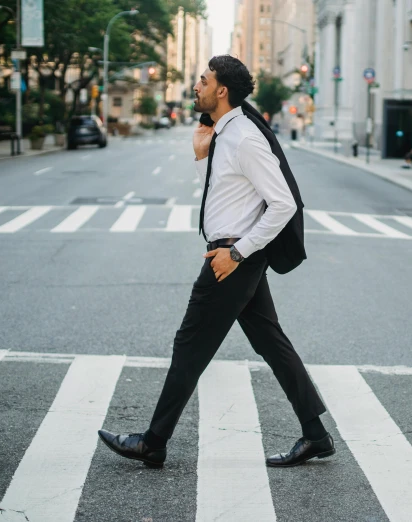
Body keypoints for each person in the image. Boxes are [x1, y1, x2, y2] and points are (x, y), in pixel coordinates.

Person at [98, 55, 334, 468]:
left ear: (220, 90)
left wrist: (239, 252)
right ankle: (315, 434)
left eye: (202, 80)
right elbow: (221, 197)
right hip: (234, 255)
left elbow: (283, 204)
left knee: (189, 346)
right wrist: (200, 156)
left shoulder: (243, 137)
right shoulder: (224, 134)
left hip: (231, 258)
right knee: (271, 343)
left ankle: (153, 441)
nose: (196, 86)